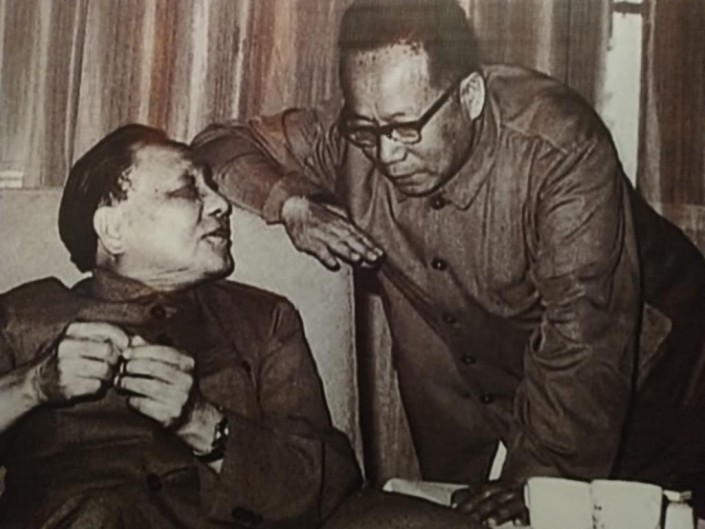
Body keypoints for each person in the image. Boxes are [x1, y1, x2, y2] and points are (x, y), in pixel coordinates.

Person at [192, 0, 705, 525]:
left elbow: (585, 335)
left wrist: (541, 482)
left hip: (656, 387)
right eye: (368, 129)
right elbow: (218, 144)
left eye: (406, 128)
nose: (387, 155)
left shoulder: (559, 147)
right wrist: (292, 205)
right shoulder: (356, 134)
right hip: (510, 400)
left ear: (470, 96)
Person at [0, 124, 362, 528]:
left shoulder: (265, 321)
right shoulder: (23, 317)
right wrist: (32, 385)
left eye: (214, 187)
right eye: (188, 190)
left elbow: (330, 483)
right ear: (114, 229)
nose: (222, 205)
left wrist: (202, 423)